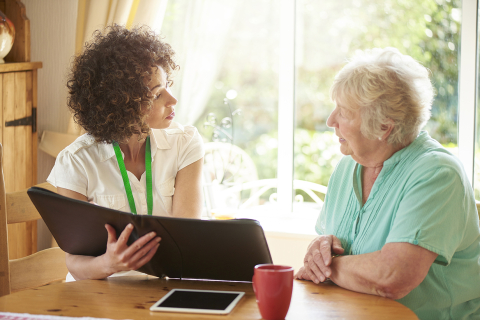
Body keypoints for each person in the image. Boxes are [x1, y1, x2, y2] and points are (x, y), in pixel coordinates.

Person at [295, 47, 480, 319]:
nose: (330, 120)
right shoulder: (348, 166)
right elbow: (341, 243)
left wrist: (330, 267)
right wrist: (321, 248)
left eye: (344, 113)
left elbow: (393, 277)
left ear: (384, 127)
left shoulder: (437, 173)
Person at [47, 25, 204, 281]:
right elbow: (75, 263)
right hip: (100, 294)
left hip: (164, 287)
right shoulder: (76, 161)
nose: (172, 100)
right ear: (120, 104)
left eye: (167, 86)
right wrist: (109, 264)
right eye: (156, 95)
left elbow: (187, 239)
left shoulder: (185, 144)